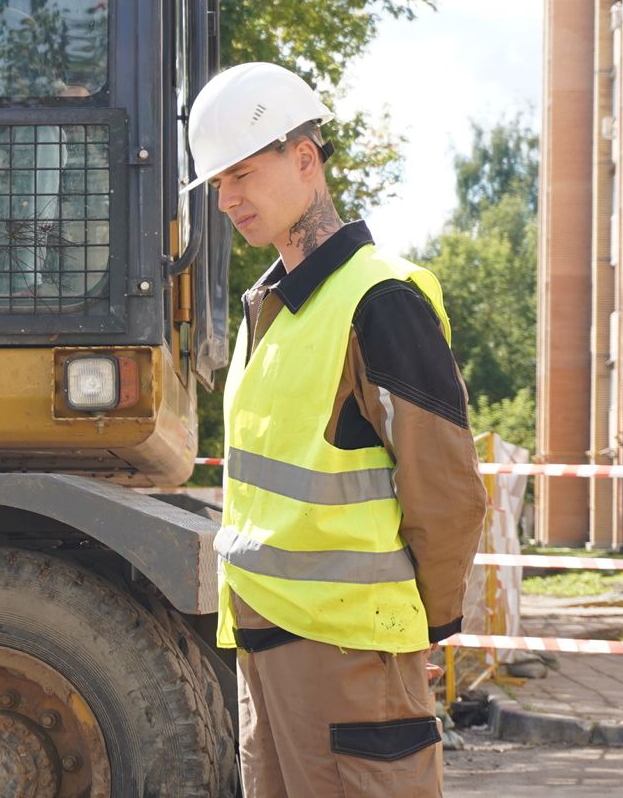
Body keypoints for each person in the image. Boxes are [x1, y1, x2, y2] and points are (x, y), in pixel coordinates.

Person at [184, 62, 488, 798]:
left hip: (351, 657)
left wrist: (429, 626)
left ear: (303, 159)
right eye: (217, 184)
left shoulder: (381, 298)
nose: (227, 200)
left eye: (242, 175)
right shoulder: (269, 310)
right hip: (265, 649)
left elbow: (445, 489)